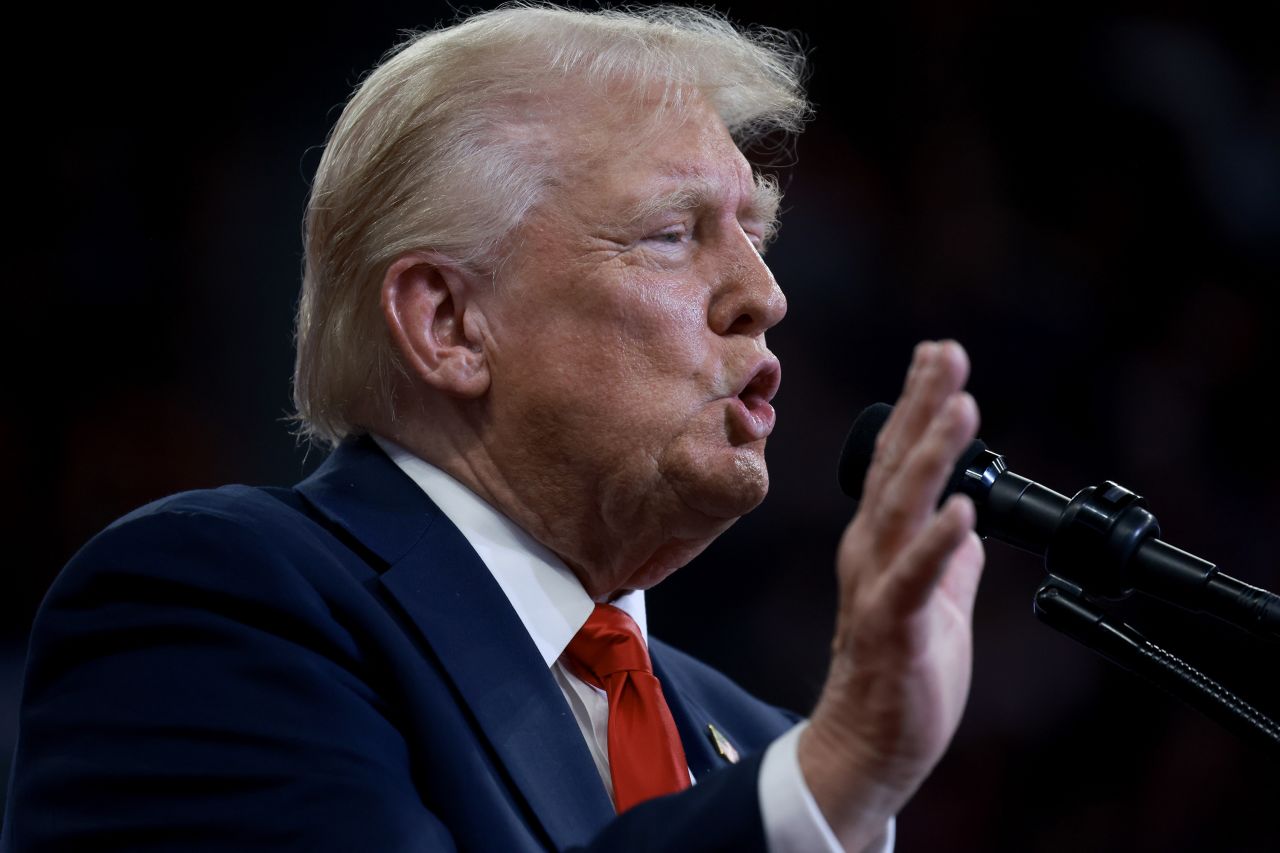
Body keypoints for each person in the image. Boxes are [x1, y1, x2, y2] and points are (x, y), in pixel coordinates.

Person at [3, 6, 984, 851]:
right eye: (671, 234)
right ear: (447, 324)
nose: (762, 296)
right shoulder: (212, 605)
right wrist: (824, 786)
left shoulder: (748, 738)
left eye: (755, 238)